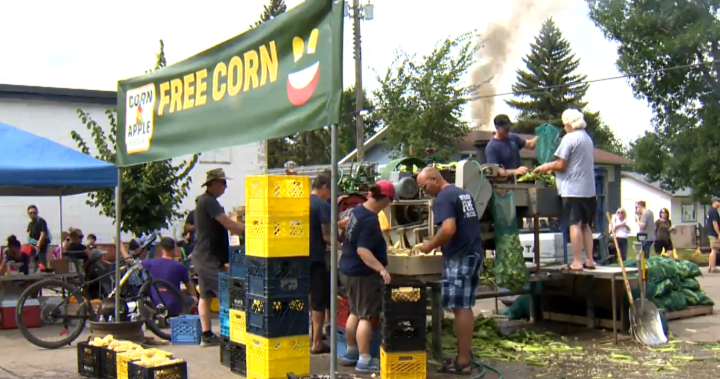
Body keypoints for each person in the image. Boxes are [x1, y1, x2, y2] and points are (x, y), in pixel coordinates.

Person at [417, 167, 483, 375]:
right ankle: (463, 356)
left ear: (435, 180)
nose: (424, 191)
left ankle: (463, 361)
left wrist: (430, 245)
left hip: (460, 256)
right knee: (464, 306)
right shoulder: (462, 193)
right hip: (473, 251)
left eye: (424, 186)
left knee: (460, 307)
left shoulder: (444, 197)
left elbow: (448, 229)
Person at [338, 181, 394, 374]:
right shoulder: (370, 220)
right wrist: (382, 270)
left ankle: (351, 352)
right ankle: (365, 360)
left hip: (347, 268)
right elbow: (363, 251)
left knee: (354, 311)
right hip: (362, 273)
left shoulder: (357, 211)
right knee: (367, 316)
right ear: (386, 199)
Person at [534, 109, 596, 271]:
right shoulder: (587, 138)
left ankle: (576, 262)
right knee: (586, 225)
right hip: (589, 189)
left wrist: (545, 167)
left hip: (572, 189)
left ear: (568, 124)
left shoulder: (570, 138)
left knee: (574, 224)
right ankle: (590, 260)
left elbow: (561, 165)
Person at [193, 168, 245, 346]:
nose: (225, 186)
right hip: (208, 259)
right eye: (223, 183)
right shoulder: (209, 201)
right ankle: (232, 335)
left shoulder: (205, 201)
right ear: (214, 183)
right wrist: (249, 229)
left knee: (205, 296)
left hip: (203, 256)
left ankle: (206, 334)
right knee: (227, 295)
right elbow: (227, 222)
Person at [143, 237, 198, 316]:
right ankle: (181, 315)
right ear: (174, 248)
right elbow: (190, 286)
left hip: (156, 303)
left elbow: (138, 265)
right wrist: (195, 300)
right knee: (194, 299)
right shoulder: (180, 266)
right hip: (174, 304)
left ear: (161, 248)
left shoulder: (150, 263)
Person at [309, 170, 332, 354]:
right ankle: (317, 342)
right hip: (316, 259)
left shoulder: (302, 201)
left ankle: (309, 336)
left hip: (298, 258)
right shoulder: (322, 205)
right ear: (325, 187)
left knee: (307, 299)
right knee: (319, 301)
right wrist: (342, 243)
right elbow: (326, 236)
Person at [706, 197, 720, 273]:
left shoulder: (710, 210)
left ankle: (710, 266)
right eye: (719, 201)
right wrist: (719, 234)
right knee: (714, 250)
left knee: (713, 250)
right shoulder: (714, 211)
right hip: (714, 234)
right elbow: (715, 224)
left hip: (710, 232)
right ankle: (713, 267)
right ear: (714, 202)